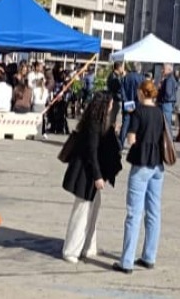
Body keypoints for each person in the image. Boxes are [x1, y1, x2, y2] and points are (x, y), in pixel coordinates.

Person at [62, 92, 123, 264]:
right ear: (104, 106)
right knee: (82, 211)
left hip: (91, 173)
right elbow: (92, 152)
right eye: (110, 104)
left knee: (93, 209)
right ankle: (71, 249)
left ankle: (88, 246)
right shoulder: (94, 125)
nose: (112, 107)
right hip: (85, 173)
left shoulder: (99, 122)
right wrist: (98, 176)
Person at [114, 80, 167, 274]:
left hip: (141, 162)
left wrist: (127, 130)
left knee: (134, 213)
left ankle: (127, 261)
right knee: (153, 211)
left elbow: (132, 138)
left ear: (142, 93)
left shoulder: (138, 112)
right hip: (158, 164)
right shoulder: (160, 112)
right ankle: (149, 256)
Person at [118, 64, 143, 146]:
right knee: (137, 124)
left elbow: (122, 89)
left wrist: (125, 100)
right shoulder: (141, 78)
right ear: (139, 69)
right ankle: (135, 144)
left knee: (125, 124)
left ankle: (120, 144)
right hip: (137, 103)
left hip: (128, 102)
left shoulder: (126, 77)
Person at [157, 63, 178, 129]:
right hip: (167, 103)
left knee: (166, 125)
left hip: (165, 104)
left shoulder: (169, 79)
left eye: (164, 69)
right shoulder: (170, 78)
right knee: (166, 124)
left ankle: (167, 139)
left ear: (169, 70)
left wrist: (160, 89)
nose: (162, 70)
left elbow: (168, 93)